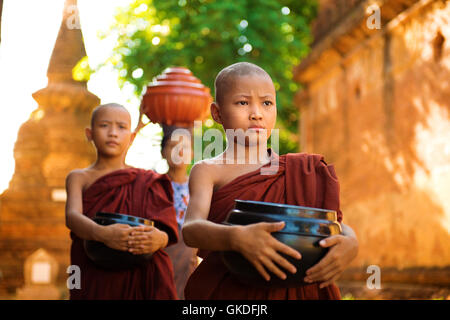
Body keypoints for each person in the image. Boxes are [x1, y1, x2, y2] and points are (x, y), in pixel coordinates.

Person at [182, 62, 359, 299]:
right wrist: (235, 237)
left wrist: (350, 240)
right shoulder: (208, 170)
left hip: (299, 288)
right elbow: (191, 229)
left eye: (267, 103)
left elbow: (322, 221)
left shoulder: (299, 170)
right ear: (217, 113)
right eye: (243, 102)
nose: (257, 113)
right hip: (235, 291)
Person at [65, 103, 178, 300]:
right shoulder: (79, 177)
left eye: (121, 127)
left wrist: (160, 239)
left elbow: (166, 227)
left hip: (141, 272)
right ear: (89, 133)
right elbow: (72, 217)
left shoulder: (146, 180)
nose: (113, 133)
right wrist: (101, 234)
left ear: (132, 137)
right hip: (94, 271)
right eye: (104, 126)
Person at [160, 124, 198, 300]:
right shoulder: (153, 185)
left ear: (192, 153)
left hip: (189, 259)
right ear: (163, 152)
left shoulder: (200, 188)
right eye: (173, 146)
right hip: (162, 254)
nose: (179, 151)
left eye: (184, 147)